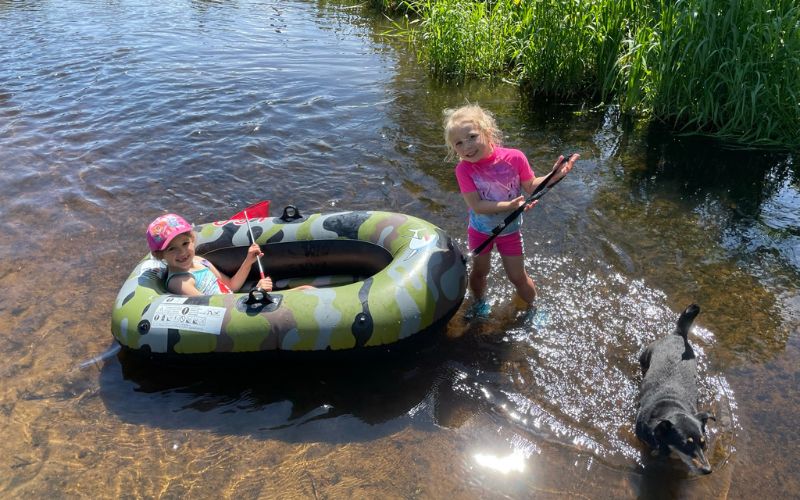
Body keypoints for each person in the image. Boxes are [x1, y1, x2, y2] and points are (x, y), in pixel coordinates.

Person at [443, 104, 578, 319]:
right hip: (480, 231)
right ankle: (479, 304)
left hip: (510, 231)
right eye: (458, 143)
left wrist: (554, 175)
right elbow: (477, 205)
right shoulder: (463, 169)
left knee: (518, 277)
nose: (467, 146)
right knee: (479, 273)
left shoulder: (514, 158)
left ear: (487, 132)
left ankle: (533, 309)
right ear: (454, 148)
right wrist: (511, 205)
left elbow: (532, 185)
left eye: (471, 137)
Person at [146, 213, 273, 296]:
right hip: (230, 316)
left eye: (185, 243)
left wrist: (248, 261)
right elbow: (215, 309)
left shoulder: (200, 261)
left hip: (233, 302)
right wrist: (256, 292)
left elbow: (231, 286)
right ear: (159, 255)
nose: (182, 252)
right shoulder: (179, 282)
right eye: (171, 249)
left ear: (192, 239)